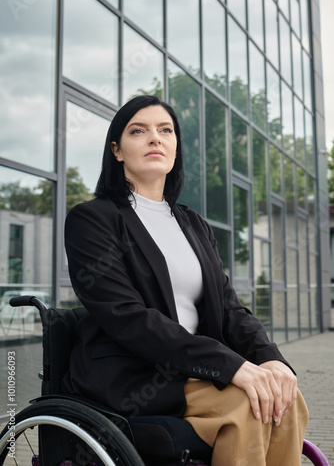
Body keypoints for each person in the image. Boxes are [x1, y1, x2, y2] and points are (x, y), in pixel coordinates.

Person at [62, 95, 309, 465]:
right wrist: (232, 367)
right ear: (117, 150)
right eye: (138, 130)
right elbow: (128, 317)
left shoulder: (192, 223)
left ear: (175, 147)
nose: (154, 139)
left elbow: (228, 307)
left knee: (287, 398)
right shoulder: (92, 219)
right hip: (134, 375)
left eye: (165, 130)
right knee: (246, 403)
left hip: (192, 369)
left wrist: (268, 359)